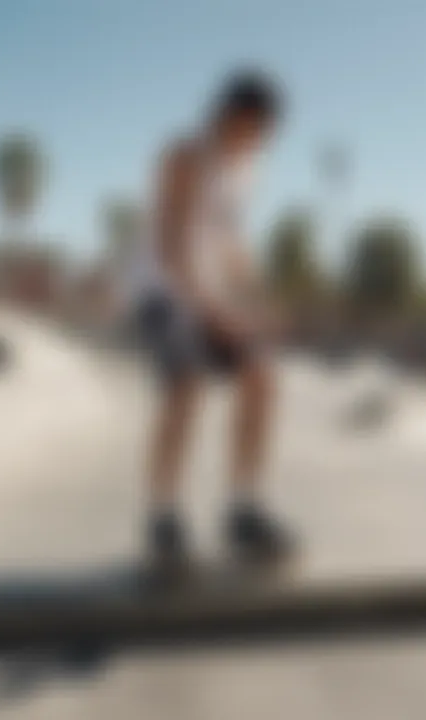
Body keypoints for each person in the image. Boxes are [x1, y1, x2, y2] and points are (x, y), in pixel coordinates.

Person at [133, 69, 296, 570]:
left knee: (262, 379)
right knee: (186, 384)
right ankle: (163, 515)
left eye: (265, 137)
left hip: (209, 295)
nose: (259, 144)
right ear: (231, 117)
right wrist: (212, 312)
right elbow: (170, 247)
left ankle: (242, 508)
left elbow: (230, 245)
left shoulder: (244, 172)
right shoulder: (184, 157)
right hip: (162, 293)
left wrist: (256, 300)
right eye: (256, 131)